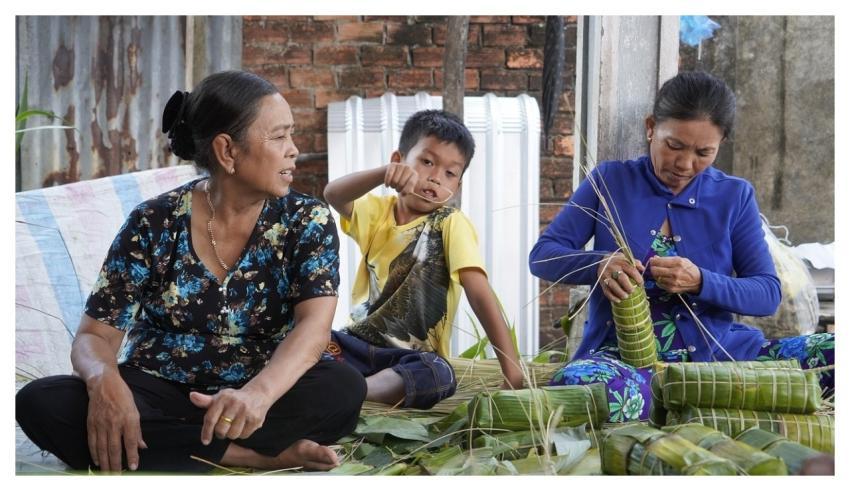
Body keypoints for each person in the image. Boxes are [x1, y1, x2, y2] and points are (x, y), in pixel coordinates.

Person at [16, 70, 366, 472]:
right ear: (227, 151)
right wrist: (105, 383)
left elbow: (313, 329)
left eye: (291, 135)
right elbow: (95, 336)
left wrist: (257, 395)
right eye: (279, 136)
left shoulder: (307, 220)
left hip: (260, 392)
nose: (294, 150)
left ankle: (166, 445)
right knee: (41, 404)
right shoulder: (153, 221)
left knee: (343, 389)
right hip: (159, 387)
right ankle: (253, 456)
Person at [528, 71, 834, 422]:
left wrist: (702, 280)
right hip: (623, 361)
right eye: (674, 145)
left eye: (704, 152)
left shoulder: (734, 196)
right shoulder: (610, 181)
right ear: (650, 128)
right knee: (608, 393)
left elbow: (766, 293)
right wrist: (598, 264)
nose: (686, 165)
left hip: (722, 358)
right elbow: (543, 255)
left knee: (837, 356)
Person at [322, 109, 524, 409]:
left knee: (438, 374)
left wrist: (512, 369)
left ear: (457, 187)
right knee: (310, 343)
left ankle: (357, 391)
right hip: (354, 345)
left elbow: (480, 295)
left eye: (450, 173)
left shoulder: (450, 223)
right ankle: (335, 383)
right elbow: (334, 194)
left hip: (409, 359)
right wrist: (382, 174)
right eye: (427, 162)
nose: (434, 177)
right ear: (398, 161)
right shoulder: (377, 213)